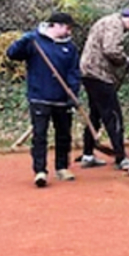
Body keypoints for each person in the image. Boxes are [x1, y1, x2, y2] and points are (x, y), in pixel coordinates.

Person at [8, 10, 82, 187]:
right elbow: (12, 54)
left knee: (64, 134)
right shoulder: (34, 41)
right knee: (39, 135)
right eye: (67, 27)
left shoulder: (70, 47)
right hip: (39, 96)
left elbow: (74, 72)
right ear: (55, 26)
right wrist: (23, 40)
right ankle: (40, 170)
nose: (69, 32)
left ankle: (62, 167)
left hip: (62, 98)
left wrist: (73, 93)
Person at [78, 8, 129, 171]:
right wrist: (125, 60)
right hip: (100, 74)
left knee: (95, 114)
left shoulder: (103, 21)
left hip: (88, 72)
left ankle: (88, 154)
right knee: (113, 115)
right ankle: (121, 158)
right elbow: (111, 50)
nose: (128, 30)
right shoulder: (115, 24)